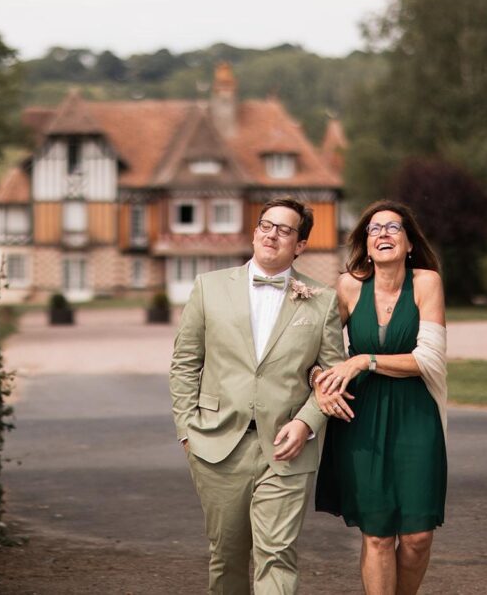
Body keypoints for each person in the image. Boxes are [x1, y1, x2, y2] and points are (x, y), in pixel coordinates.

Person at [170, 197, 345, 594]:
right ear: (254, 232)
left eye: (285, 230)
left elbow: (332, 376)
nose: (273, 234)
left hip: (288, 448)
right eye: (267, 225)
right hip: (216, 445)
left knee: (277, 554)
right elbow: (184, 364)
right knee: (226, 556)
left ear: (299, 245)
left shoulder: (322, 300)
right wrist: (186, 430)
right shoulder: (208, 288)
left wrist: (306, 422)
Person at [313, 199, 448, 595]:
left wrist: (362, 361)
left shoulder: (426, 282)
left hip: (416, 415)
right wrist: (319, 379)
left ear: (409, 243)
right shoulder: (348, 286)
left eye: (393, 228)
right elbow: (315, 349)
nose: (383, 234)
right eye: (374, 229)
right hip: (362, 417)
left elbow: (429, 358)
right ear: (366, 244)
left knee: (418, 534)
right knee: (377, 535)